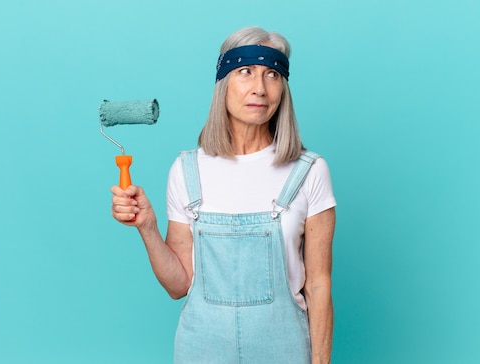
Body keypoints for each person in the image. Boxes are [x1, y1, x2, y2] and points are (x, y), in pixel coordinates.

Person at [111, 26, 336, 363]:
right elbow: (178, 286)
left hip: (284, 348)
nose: (259, 88)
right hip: (201, 347)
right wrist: (147, 226)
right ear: (223, 82)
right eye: (245, 71)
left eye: (272, 74)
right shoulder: (187, 170)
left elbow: (318, 286)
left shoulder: (309, 171)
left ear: (283, 89)